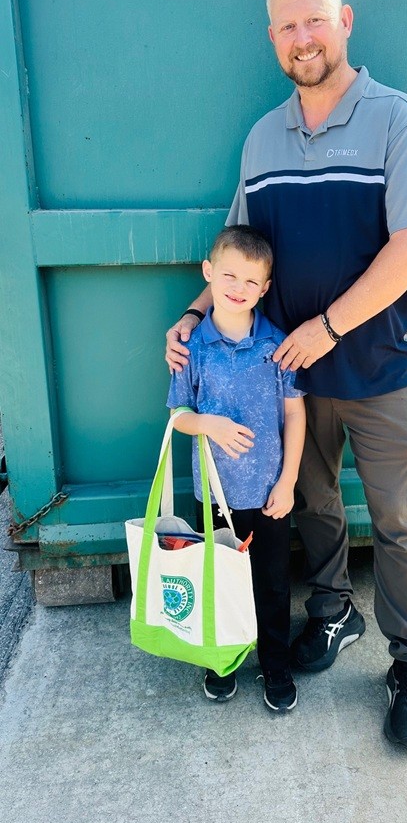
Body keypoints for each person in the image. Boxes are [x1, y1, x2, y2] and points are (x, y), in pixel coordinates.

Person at [166, 0, 407, 750]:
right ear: (272, 37)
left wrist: (327, 327)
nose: (303, 38)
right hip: (289, 381)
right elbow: (238, 253)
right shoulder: (263, 139)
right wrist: (192, 314)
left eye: (315, 20)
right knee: (312, 504)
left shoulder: (396, 119)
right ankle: (332, 612)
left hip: (382, 369)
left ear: (344, 21)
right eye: (288, 26)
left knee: (398, 522)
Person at [167, 224, 306, 713]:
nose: (238, 288)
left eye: (251, 281)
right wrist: (210, 424)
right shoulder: (191, 348)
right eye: (229, 275)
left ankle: (275, 664)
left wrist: (288, 481)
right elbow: (178, 417)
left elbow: (295, 414)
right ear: (208, 273)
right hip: (214, 495)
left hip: (269, 495)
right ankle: (221, 661)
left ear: (264, 288)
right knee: (218, 582)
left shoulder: (277, 345)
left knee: (272, 583)